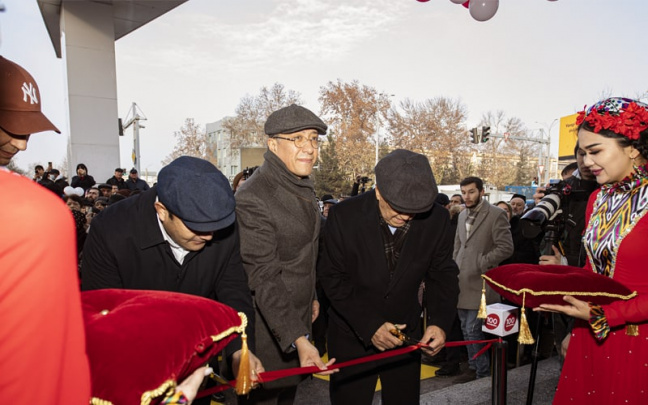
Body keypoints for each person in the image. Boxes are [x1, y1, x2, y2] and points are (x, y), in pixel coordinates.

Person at [81, 156, 263, 388]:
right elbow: (103, 317)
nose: (209, 237)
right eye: (197, 227)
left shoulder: (220, 224)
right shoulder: (111, 231)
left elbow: (234, 291)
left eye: (215, 227)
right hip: (129, 368)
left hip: (196, 365)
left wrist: (240, 351)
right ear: (162, 211)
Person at [318, 149, 459, 405]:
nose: (405, 217)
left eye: (414, 211)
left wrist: (439, 322)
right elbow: (332, 277)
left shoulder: (437, 218)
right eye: (398, 208)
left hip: (406, 334)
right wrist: (369, 325)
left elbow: (443, 275)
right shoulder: (344, 215)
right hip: (352, 334)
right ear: (379, 192)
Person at [538, 97, 648, 403]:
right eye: (583, 153)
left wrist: (603, 315)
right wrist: (574, 322)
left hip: (638, 342)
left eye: (595, 151)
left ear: (633, 147)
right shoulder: (597, 199)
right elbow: (594, 273)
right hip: (592, 333)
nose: (586, 162)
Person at [235, 104, 336, 405]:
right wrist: (298, 338)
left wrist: (312, 296)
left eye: (314, 139)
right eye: (298, 139)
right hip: (269, 332)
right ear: (273, 144)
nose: (310, 148)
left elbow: (305, 252)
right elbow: (263, 275)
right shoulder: (254, 196)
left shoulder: (300, 184)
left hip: (297, 319)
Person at [453, 176, 513, 382]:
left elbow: (506, 247)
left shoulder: (496, 214)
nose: (467, 196)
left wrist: (482, 262)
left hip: (481, 283)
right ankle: (473, 367)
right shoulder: (462, 215)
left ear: (481, 192)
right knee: (465, 329)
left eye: (471, 192)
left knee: (473, 330)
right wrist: (454, 266)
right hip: (461, 281)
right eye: (464, 192)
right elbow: (458, 245)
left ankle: (482, 373)